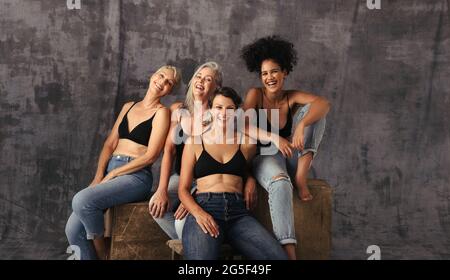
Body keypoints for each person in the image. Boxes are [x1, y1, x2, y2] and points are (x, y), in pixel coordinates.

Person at [65, 65, 181, 260]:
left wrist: (113, 175)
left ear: (170, 90)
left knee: (81, 200)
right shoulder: (128, 106)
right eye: (161, 75)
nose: (162, 82)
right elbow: (110, 144)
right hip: (111, 169)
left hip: (135, 176)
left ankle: (102, 252)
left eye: (168, 82)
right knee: (72, 230)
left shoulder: (162, 113)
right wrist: (99, 176)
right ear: (152, 75)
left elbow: (151, 155)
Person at [241, 35, 331, 259]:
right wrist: (275, 138)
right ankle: (289, 253)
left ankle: (300, 177)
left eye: (274, 71)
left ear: (285, 72)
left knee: (316, 113)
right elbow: (242, 125)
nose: (269, 77)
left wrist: (301, 124)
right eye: (264, 73)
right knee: (280, 182)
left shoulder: (292, 97)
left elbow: (324, 104)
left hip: (291, 157)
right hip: (266, 158)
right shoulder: (256, 95)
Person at [179, 87, 288, 260]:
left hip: (239, 213)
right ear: (211, 110)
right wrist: (198, 213)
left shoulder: (246, 143)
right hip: (206, 207)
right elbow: (183, 189)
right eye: (218, 107)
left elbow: (245, 169)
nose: (224, 113)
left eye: (229, 108)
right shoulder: (194, 142)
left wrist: (250, 179)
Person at [149, 62, 223, 239]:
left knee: (183, 222)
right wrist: (162, 189)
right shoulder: (178, 109)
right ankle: (192, 245)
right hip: (180, 177)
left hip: (206, 181)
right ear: (191, 81)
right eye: (198, 76)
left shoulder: (218, 114)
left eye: (208, 79)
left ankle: (198, 247)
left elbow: (220, 159)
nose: (201, 81)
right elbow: (169, 151)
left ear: (216, 87)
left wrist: (190, 196)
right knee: (156, 207)